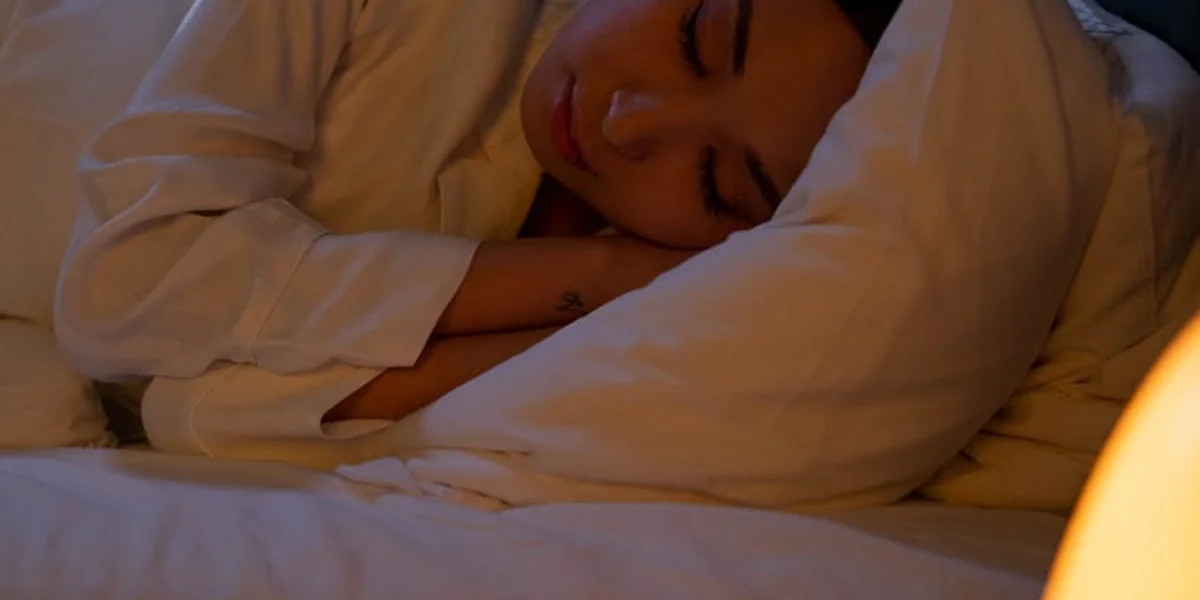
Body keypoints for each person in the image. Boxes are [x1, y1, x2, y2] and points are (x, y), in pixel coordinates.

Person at [54, 0, 899, 455]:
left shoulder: (617, 289)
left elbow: (195, 415)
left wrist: (610, 298)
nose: (631, 122)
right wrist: (605, 282)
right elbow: (122, 293)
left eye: (718, 183)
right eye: (693, 37)